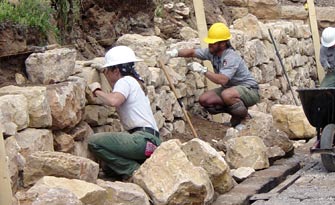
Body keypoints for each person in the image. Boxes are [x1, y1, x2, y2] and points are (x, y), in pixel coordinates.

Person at [87, 46, 161, 180]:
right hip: (151, 141)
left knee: (94, 141)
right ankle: (140, 167)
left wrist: (96, 90)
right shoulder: (133, 82)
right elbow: (115, 93)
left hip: (141, 140)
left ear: (115, 70)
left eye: (107, 71)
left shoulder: (124, 81)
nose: (106, 74)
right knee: (109, 168)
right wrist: (103, 71)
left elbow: (114, 100)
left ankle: (134, 171)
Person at [166, 22, 260, 127]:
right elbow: (192, 52)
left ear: (223, 44)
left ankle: (245, 118)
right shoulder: (212, 53)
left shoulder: (230, 57)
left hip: (249, 90)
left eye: (213, 43)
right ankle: (237, 117)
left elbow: (222, 80)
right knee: (205, 100)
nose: (210, 44)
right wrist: (173, 53)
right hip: (231, 89)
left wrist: (203, 70)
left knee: (227, 95)